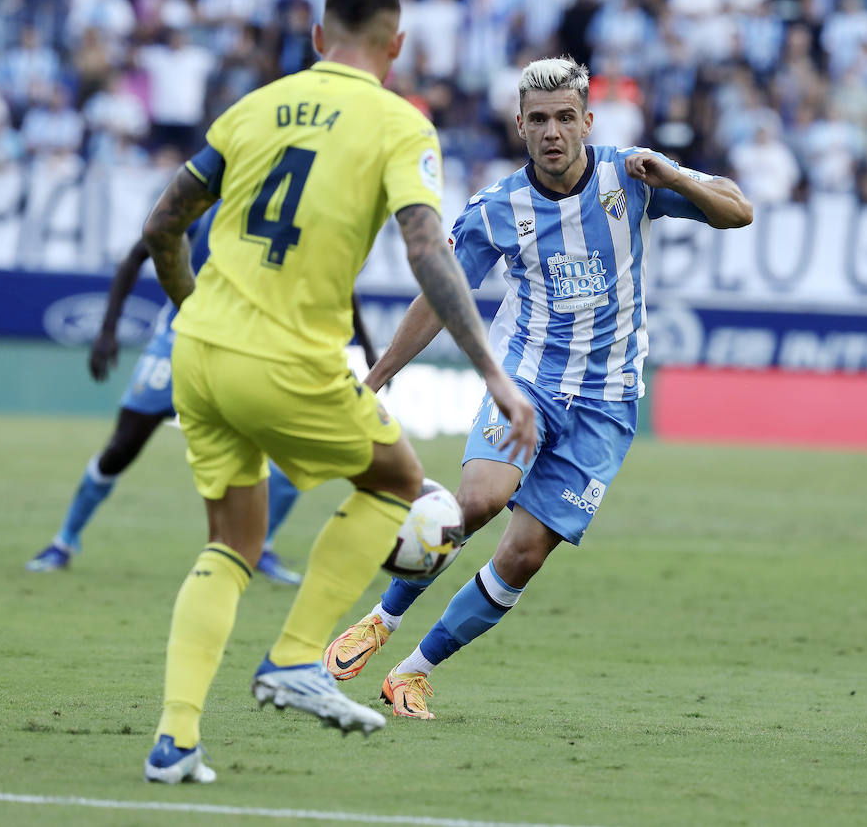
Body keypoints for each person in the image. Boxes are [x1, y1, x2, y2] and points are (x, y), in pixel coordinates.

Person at [138, 0, 535, 784]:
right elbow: (429, 249)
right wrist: (491, 370)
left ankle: (175, 739)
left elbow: (162, 224)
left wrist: (192, 310)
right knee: (399, 483)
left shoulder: (254, 107)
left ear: (319, 38)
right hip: (287, 358)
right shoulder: (398, 123)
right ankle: (293, 659)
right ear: (396, 46)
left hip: (200, 354)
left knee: (231, 543)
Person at [322, 56, 753, 719]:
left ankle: (414, 673)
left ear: (587, 120)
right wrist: (379, 376)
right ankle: (381, 619)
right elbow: (443, 293)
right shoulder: (499, 209)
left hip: (608, 403)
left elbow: (738, 210)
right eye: (539, 120)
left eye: (565, 118)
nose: (553, 131)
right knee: (476, 501)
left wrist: (676, 177)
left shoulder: (630, 175)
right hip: (528, 383)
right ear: (520, 125)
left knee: (523, 556)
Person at [25, 205, 385, 586]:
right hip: (180, 340)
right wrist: (108, 330)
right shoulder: (206, 200)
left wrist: (365, 346)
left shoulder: (296, 210)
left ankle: (260, 547)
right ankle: (64, 541)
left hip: (252, 349)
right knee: (122, 447)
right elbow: (137, 253)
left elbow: (339, 278)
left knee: (295, 447)